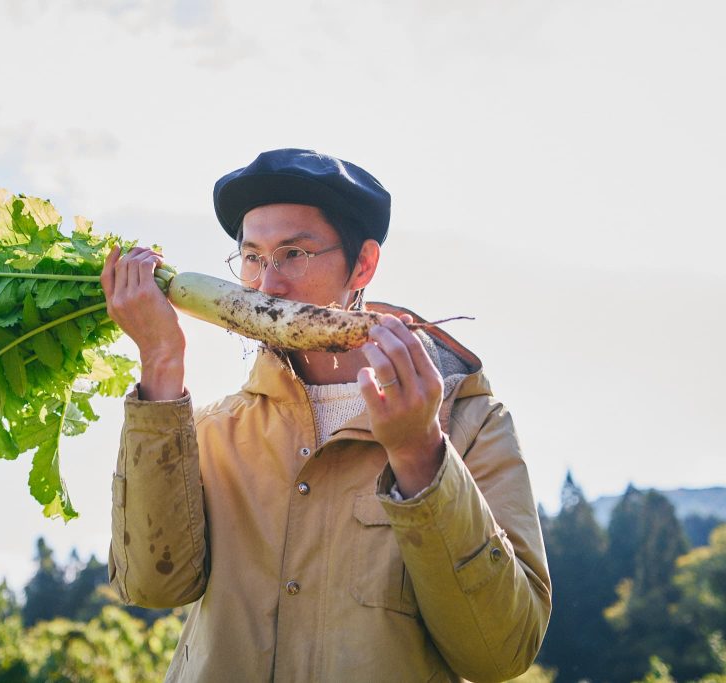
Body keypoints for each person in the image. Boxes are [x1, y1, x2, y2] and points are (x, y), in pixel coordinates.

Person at [101, 148, 551, 682]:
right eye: (252, 258)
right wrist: (160, 360)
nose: (267, 285)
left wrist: (419, 454)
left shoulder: (473, 424)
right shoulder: (213, 429)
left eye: (293, 253)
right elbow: (152, 586)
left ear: (363, 265)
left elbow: (500, 652)